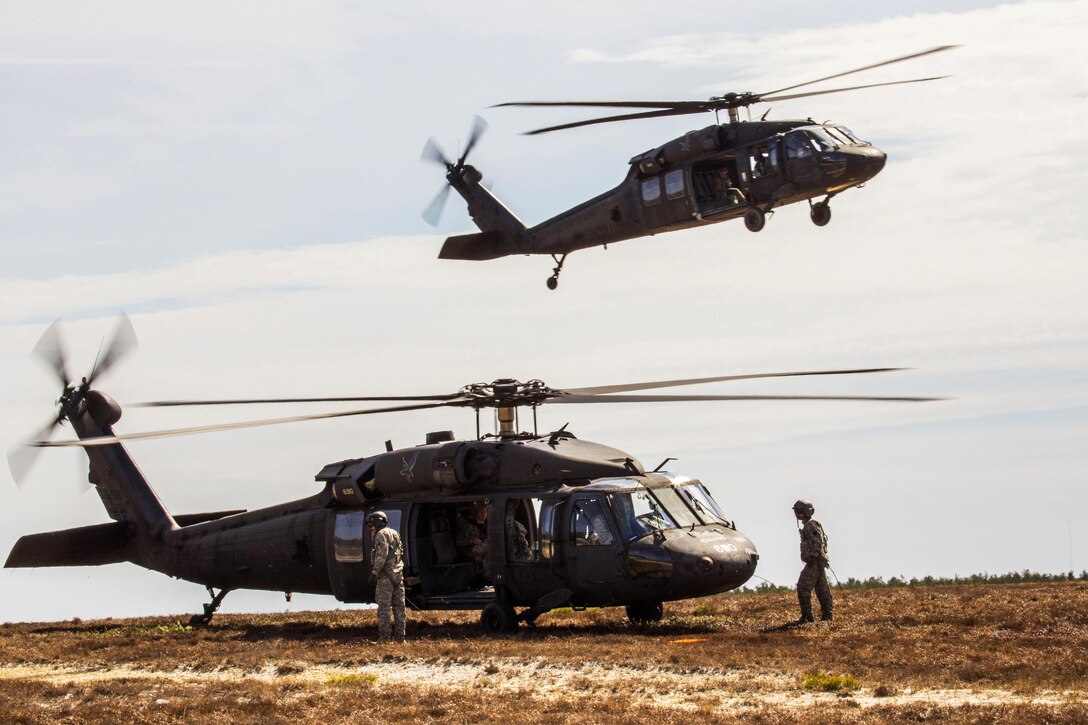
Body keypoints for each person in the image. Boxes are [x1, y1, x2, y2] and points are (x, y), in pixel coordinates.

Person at [367, 510, 405, 642]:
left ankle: (384, 638)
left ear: (377, 522)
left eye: (371, 525)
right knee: (399, 608)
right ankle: (400, 638)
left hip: (385, 577)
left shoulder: (381, 535)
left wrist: (374, 573)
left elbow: (382, 555)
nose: (371, 528)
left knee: (383, 609)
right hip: (398, 575)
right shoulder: (395, 533)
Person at [793, 499, 833, 623]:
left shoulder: (810, 525)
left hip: (815, 561)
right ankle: (827, 617)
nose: (798, 514)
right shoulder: (809, 524)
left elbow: (818, 541)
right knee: (822, 589)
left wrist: (812, 556)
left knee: (802, 587)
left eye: (800, 512)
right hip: (818, 561)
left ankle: (807, 617)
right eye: (797, 512)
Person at [457, 502, 490, 582]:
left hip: (483, 546)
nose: (484, 514)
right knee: (488, 551)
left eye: (485, 512)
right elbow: (459, 541)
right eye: (481, 512)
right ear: (476, 513)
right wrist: (472, 540)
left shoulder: (489, 524)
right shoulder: (469, 526)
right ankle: (488, 577)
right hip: (471, 550)